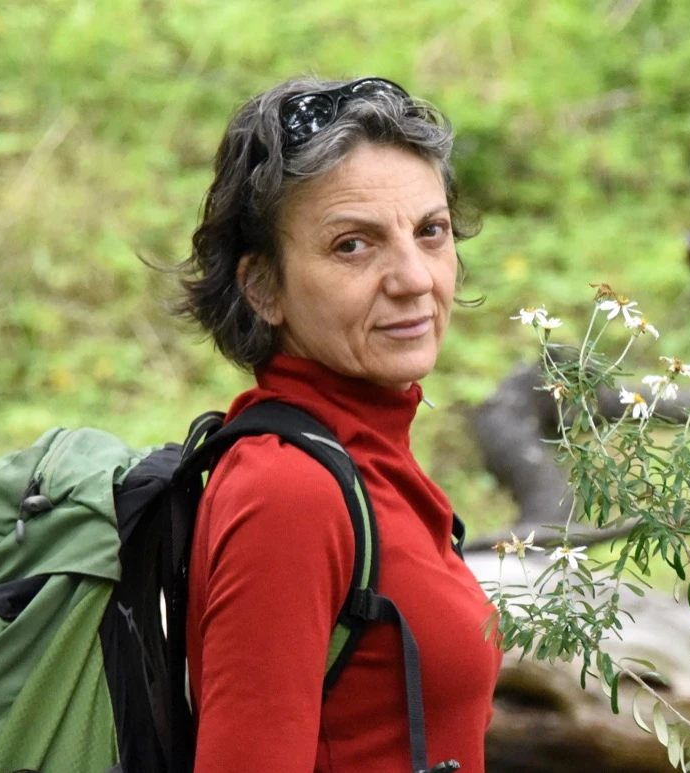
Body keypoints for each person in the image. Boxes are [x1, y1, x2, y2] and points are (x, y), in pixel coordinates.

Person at [178, 76, 502, 771]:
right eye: (353, 245)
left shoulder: (364, 455)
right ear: (263, 287)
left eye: (431, 231)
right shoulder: (287, 493)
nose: (415, 278)